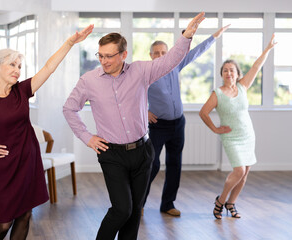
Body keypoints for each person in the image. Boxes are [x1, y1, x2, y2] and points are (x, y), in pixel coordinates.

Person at [63, 13, 205, 240]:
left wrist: (186, 36)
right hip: (112, 154)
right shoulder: (89, 80)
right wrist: (87, 137)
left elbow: (169, 61)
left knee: (134, 212)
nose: (104, 61)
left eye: (109, 56)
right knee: (122, 209)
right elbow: (69, 109)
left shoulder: (140, 71)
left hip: (142, 152)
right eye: (101, 56)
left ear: (123, 54)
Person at [0, 25, 93, 239]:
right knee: (3, 222)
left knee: (26, 215)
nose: (17, 69)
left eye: (19, 65)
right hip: (7, 165)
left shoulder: (22, 90)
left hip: (30, 159)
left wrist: (70, 43)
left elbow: (48, 68)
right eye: (12, 64)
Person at [143, 25, 230, 217]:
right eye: (156, 53)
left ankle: (167, 204)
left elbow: (197, 52)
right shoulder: (146, 73)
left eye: (163, 52)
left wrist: (214, 36)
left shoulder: (175, 65)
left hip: (178, 124)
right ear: (151, 55)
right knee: (153, 164)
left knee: (175, 164)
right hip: (158, 126)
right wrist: (144, 111)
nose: (160, 55)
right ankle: (139, 204)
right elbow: (130, 95)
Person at [199, 34, 277, 219]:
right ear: (221, 74)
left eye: (232, 70)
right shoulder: (217, 94)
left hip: (248, 135)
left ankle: (231, 204)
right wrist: (216, 129)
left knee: (244, 174)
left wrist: (267, 50)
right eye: (225, 70)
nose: (228, 73)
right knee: (239, 170)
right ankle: (221, 201)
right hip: (231, 137)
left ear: (237, 74)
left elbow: (257, 66)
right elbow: (203, 112)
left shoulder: (243, 87)